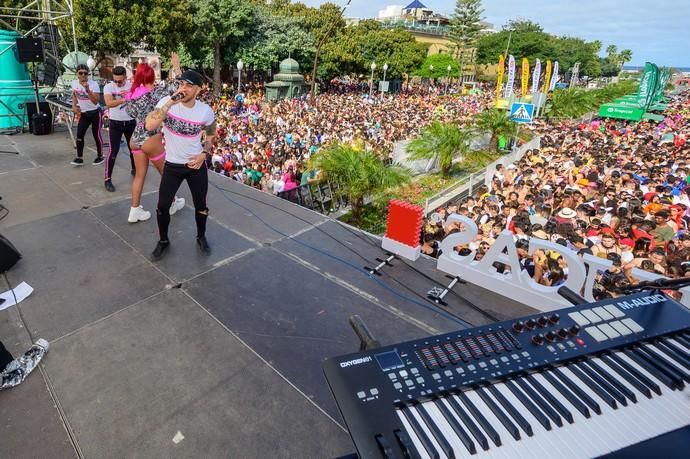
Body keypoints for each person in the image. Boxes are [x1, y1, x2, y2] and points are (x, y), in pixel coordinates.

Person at [145, 70, 216, 260]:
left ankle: (201, 236)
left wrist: (204, 153)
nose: (183, 88)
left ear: (198, 89)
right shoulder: (167, 104)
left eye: (188, 85)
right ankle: (163, 241)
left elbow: (211, 132)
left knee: (201, 205)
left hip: (195, 166)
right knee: (162, 206)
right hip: (173, 165)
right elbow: (150, 126)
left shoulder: (205, 110)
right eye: (181, 84)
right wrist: (170, 103)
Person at [124, 59, 185, 223]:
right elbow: (179, 85)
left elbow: (131, 114)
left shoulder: (131, 94)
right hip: (151, 137)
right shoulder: (156, 92)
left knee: (139, 175)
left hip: (135, 138)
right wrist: (176, 67)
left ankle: (134, 210)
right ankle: (171, 204)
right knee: (167, 175)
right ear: (151, 77)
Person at [103, 66, 136, 192]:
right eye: (115, 80)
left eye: (120, 81)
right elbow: (109, 103)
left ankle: (135, 169)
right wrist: (125, 98)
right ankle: (107, 179)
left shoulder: (131, 86)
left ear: (125, 77)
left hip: (130, 121)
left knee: (134, 149)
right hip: (115, 122)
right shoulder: (109, 87)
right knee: (113, 152)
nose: (117, 83)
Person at [70, 64, 103, 166]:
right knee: (79, 134)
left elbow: (95, 101)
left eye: (85, 73)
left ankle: (100, 156)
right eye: (81, 73)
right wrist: (74, 105)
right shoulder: (74, 83)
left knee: (96, 134)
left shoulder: (94, 84)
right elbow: (74, 94)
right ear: (77, 74)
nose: (83, 75)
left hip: (95, 112)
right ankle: (79, 157)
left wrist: (88, 90)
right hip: (84, 113)